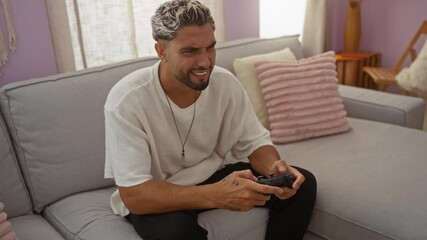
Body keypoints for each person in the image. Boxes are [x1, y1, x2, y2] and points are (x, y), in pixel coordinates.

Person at [104, 0, 317, 239]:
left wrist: (274, 168)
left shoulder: (225, 83)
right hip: (157, 192)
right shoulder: (127, 100)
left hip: (214, 175)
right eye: (190, 51)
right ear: (161, 51)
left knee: (302, 185)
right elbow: (134, 195)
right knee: (176, 233)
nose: (205, 62)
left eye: (210, 47)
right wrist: (216, 194)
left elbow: (254, 142)